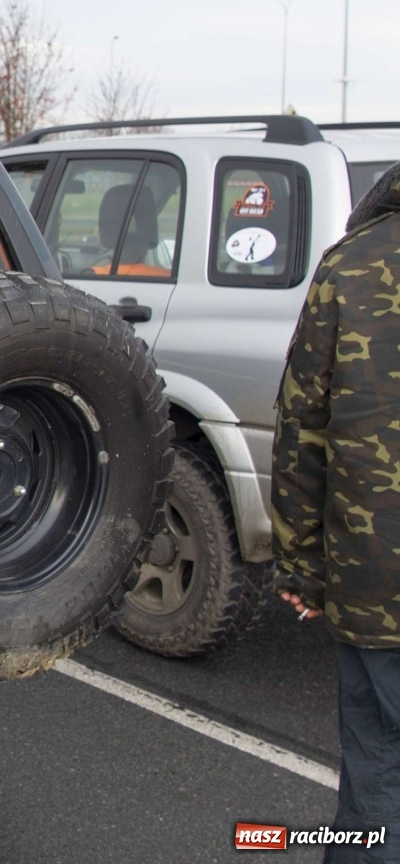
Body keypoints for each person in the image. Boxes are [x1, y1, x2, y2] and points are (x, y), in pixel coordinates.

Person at [273, 162, 400, 863]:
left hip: (375, 574)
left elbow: (302, 425)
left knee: (379, 767)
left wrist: (302, 563)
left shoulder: (351, 264)